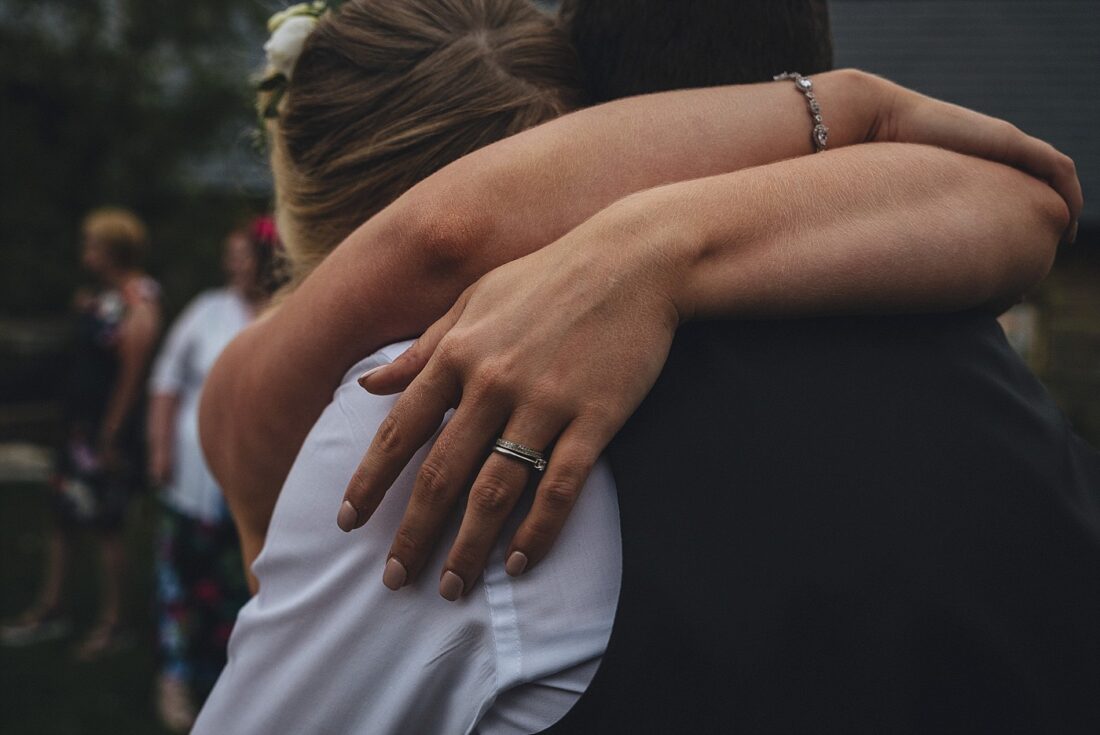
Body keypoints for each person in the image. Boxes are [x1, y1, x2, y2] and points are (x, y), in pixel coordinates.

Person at [195, 1, 1082, 733]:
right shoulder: (971, 351)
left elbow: (441, 240)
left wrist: (652, 249)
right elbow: (1038, 198)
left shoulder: (415, 402)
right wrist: (853, 111)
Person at [1, 207, 161, 660]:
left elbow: (131, 377)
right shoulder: (101, 297)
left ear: (113, 250)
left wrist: (109, 436)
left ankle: (115, 623)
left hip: (104, 435)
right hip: (77, 431)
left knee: (107, 524)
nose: (85, 250)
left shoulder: (138, 303)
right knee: (63, 515)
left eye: (92, 242)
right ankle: (51, 607)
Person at [146, 216, 281, 731]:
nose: (234, 264)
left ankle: (235, 684)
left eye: (244, 255)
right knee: (180, 580)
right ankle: (176, 679)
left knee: (243, 587)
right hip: (194, 480)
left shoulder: (290, 310)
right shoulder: (207, 310)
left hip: (261, 485)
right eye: (233, 256)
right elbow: (166, 379)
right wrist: (159, 447)